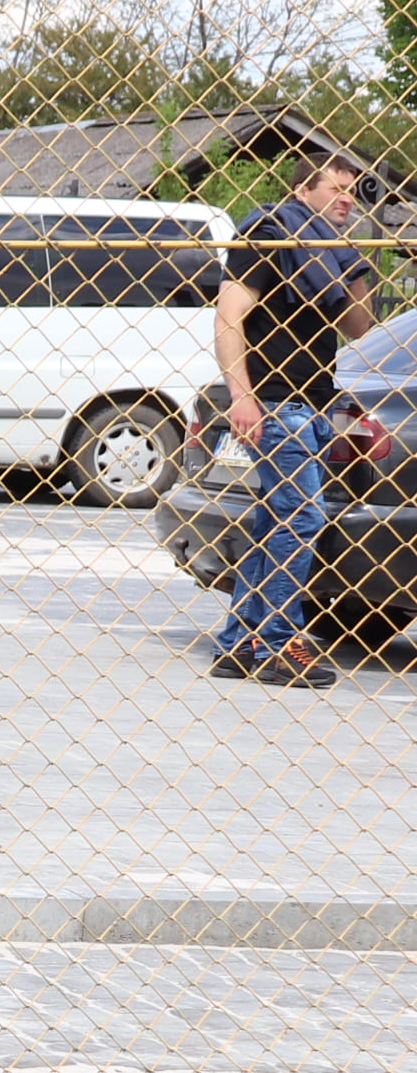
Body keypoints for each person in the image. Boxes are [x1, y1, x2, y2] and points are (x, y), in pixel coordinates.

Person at [211, 147, 379, 687]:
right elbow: (228, 317)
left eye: (352, 192)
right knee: (302, 517)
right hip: (276, 403)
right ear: (304, 189)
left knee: (275, 523)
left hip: (315, 405)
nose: (347, 199)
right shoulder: (272, 234)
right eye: (336, 188)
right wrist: (241, 396)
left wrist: (354, 263)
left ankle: (239, 642)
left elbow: (359, 326)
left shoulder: (328, 254)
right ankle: (280, 644)